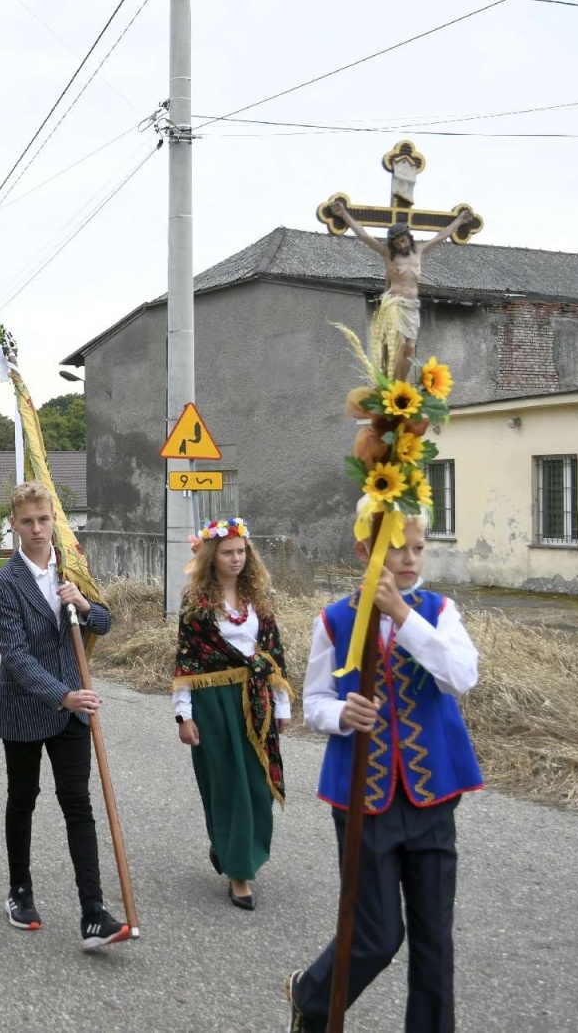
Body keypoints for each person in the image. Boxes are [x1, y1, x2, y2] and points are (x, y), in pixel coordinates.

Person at [286, 498, 482, 1033]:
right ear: (364, 550)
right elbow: (315, 702)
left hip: (431, 793)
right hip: (362, 797)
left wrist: (403, 616)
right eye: (395, 548)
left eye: (417, 548)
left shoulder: (439, 614)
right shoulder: (335, 619)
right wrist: (342, 713)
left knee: (434, 939)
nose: (409, 559)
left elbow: (460, 676)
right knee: (375, 935)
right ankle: (313, 996)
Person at [0, 481, 127, 952]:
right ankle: (19, 890)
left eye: (43, 520)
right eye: (27, 521)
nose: (37, 528)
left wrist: (85, 605)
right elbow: (16, 656)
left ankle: (94, 912)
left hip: (73, 711)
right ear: (15, 524)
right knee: (22, 798)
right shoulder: (6, 583)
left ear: (53, 521)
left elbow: (104, 623)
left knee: (78, 804)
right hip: (26, 706)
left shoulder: (71, 568)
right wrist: (64, 695)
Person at [172, 517, 291, 911]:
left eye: (242, 551)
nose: (237, 558)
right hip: (213, 703)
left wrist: (283, 705)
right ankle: (239, 872)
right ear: (211, 555)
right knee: (228, 787)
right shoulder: (196, 603)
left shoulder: (258, 597)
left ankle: (234, 850)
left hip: (255, 699)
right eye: (228, 552)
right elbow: (186, 661)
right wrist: (183, 715)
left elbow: (272, 653)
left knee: (256, 787)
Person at [330, 199, 474, 378]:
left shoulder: (419, 251)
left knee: (409, 348)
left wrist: (460, 220)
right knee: (396, 345)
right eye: (397, 244)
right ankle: (390, 383)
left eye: (403, 241)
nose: (401, 246)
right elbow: (364, 235)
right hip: (394, 304)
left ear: (409, 238)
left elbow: (440, 236)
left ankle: (401, 383)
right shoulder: (387, 254)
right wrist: (343, 213)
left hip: (412, 306)